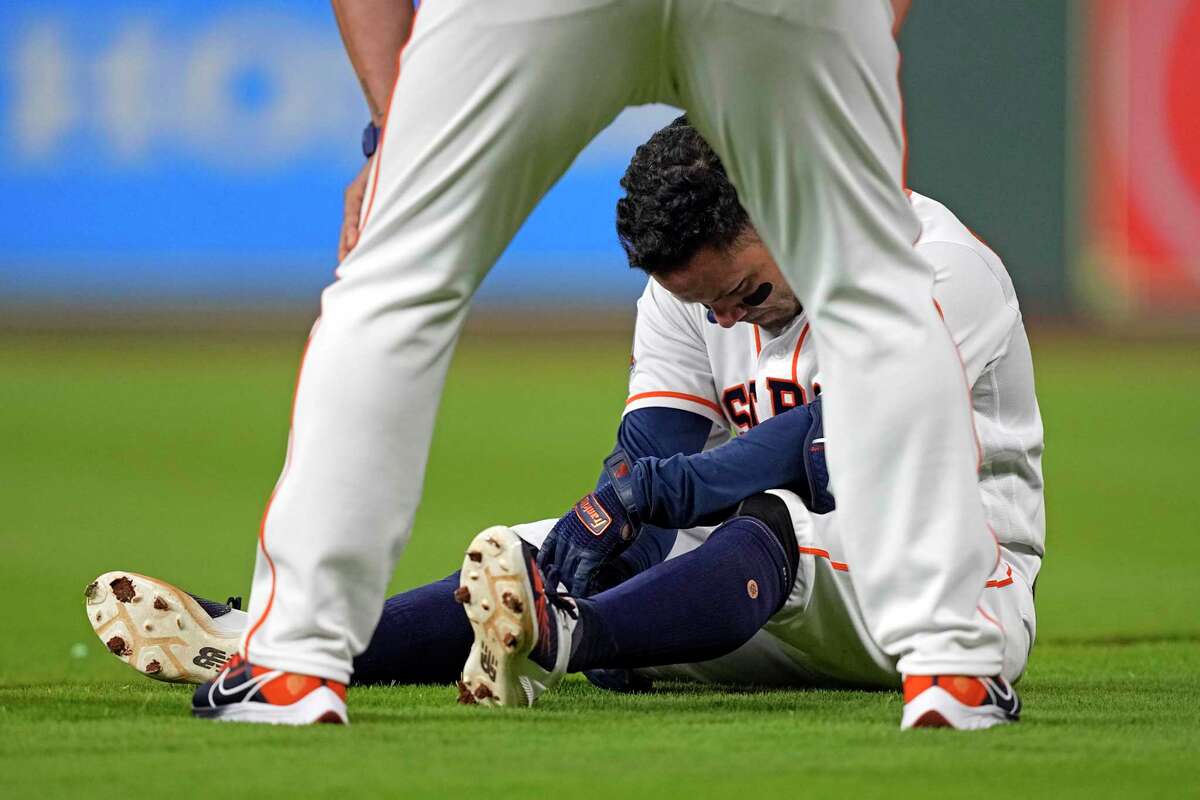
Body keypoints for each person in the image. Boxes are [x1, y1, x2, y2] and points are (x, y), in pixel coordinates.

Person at [97, 118, 1043, 729]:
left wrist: (655, 497)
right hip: (772, 602)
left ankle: (567, 641)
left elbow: (831, 452)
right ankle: (279, 639)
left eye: (743, 291)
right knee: (534, 546)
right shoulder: (693, 291)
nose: (728, 321)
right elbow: (654, 456)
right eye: (704, 306)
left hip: (949, 599)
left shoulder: (936, 269)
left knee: (774, 519)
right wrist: (607, 520)